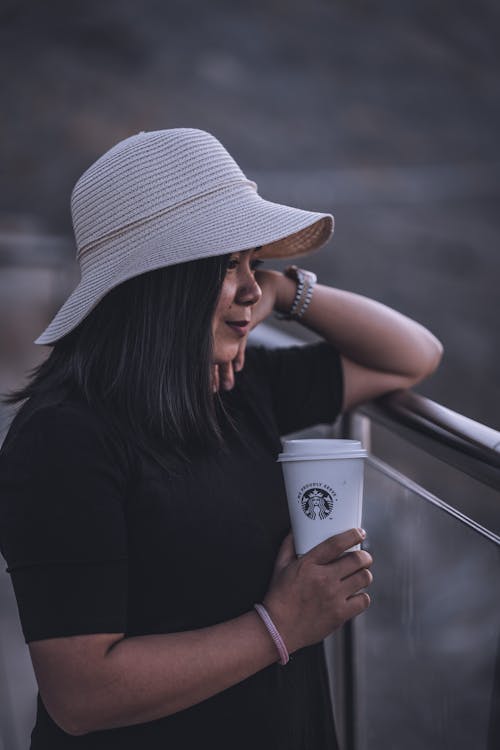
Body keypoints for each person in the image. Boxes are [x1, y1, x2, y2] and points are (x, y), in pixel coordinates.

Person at [0, 129, 443, 750]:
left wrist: (288, 293)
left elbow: (412, 356)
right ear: (158, 283)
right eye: (225, 267)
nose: (250, 289)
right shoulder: (63, 438)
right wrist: (279, 626)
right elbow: (79, 694)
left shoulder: (234, 384)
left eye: (252, 263)